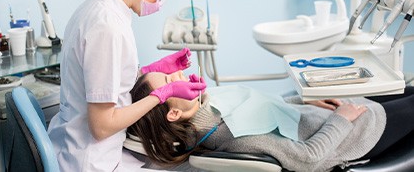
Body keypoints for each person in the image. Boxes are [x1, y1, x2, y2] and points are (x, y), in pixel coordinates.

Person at [47, 0, 206, 171]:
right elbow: (101, 126)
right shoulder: (107, 27)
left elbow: (109, 83)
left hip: (85, 149)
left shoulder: (95, 10)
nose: (161, 1)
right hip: (92, 161)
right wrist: (161, 95)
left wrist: (154, 69)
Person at [128, 71, 414, 172]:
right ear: (173, 114)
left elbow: (261, 109)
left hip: (329, 113)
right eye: (169, 80)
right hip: (360, 131)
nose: (179, 74)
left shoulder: (210, 107)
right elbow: (308, 159)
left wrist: (301, 101)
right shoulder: (234, 136)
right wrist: (341, 120)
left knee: (405, 86)